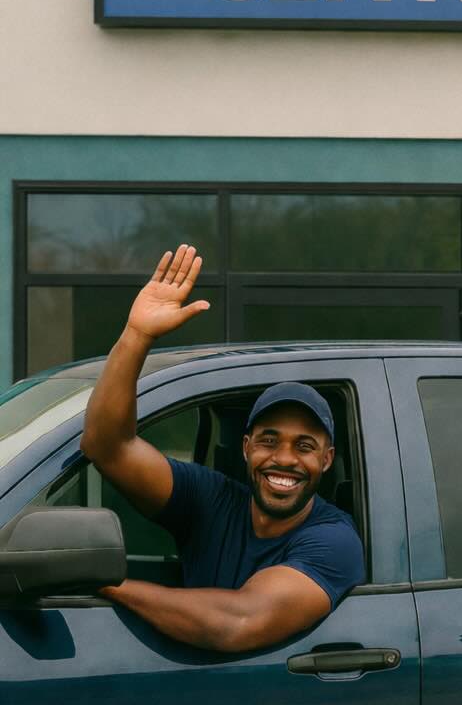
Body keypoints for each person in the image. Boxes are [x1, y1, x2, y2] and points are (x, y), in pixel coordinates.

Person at [81, 244, 365, 652]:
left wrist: (111, 586)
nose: (284, 458)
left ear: (327, 459)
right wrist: (137, 335)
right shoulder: (210, 499)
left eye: (304, 446)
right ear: (246, 448)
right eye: (269, 441)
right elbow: (106, 446)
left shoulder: (334, 540)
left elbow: (238, 622)